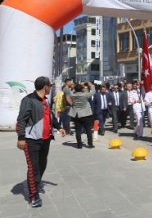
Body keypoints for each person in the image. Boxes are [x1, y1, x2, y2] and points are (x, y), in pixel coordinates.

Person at [16, 76, 66, 208]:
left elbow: (50, 116)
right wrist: (21, 138)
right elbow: (21, 120)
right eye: (50, 85)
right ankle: (34, 196)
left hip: (45, 139)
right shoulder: (28, 100)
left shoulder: (45, 100)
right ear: (45, 87)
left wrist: (59, 127)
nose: (51, 88)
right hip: (32, 140)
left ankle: (36, 185)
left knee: (42, 164)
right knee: (34, 167)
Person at [68, 82, 96, 149]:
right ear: (82, 89)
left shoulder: (72, 95)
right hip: (85, 114)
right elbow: (93, 91)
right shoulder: (85, 95)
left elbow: (70, 91)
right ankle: (90, 144)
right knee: (88, 130)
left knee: (78, 130)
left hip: (76, 114)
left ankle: (79, 145)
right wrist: (91, 85)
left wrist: (74, 88)